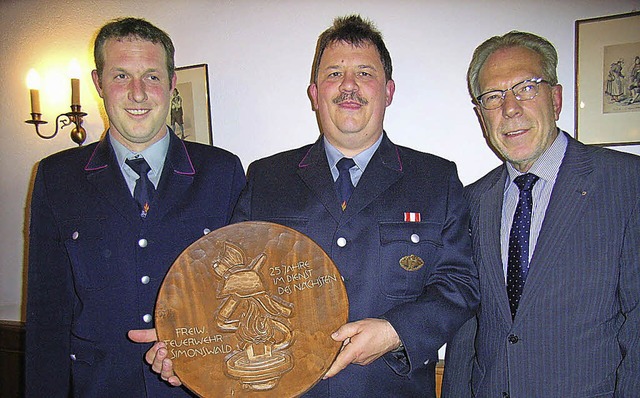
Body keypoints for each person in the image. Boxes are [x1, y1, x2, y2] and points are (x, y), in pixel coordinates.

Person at [133, 14, 479, 397]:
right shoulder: (267, 177)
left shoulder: (435, 179)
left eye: (364, 73)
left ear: (389, 91)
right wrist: (188, 343)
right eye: (333, 74)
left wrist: (395, 332)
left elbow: (460, 284)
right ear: (314, 93)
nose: (348, 86)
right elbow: (228, 282)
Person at [25, 17, 245, 397]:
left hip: (196, 388)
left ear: (172, 83)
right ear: (98, 84)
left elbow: (243, 294)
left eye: (153, 77)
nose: (138, 93)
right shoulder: (56, 177)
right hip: (99, 386)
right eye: (121, 76)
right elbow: (48, 314)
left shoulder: (222, 172)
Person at [442, 31, 640, 397]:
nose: (511, 108)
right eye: (494, 97)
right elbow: (466, 327)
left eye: (526, 88)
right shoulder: (470, 200)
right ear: (481, 115)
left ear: (557, 97)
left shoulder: (628, 183)